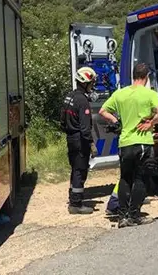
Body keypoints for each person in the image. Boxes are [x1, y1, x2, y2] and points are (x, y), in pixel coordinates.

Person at [99, 62, 158, 228]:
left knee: (125, 178)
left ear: (133, 75)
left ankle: (122, 217)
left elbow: (102, 111)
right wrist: (151, 122)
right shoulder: (150, 94)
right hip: (142, 142)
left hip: (125, 143)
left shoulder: (120, 94)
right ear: (146, 77)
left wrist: (116, 121)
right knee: (141, 179)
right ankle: (135, 215)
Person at [60, 66, 99, 215]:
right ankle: (76, 204)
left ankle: (73, 197)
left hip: (71, 138)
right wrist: (91, 144)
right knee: (80, 171)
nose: (92, 86)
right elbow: (85, 128)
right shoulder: (82, 101)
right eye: (91, 83)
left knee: (75, 168)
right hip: (80, 140)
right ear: (85, 82)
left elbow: (62, 120)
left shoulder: (69, 96)